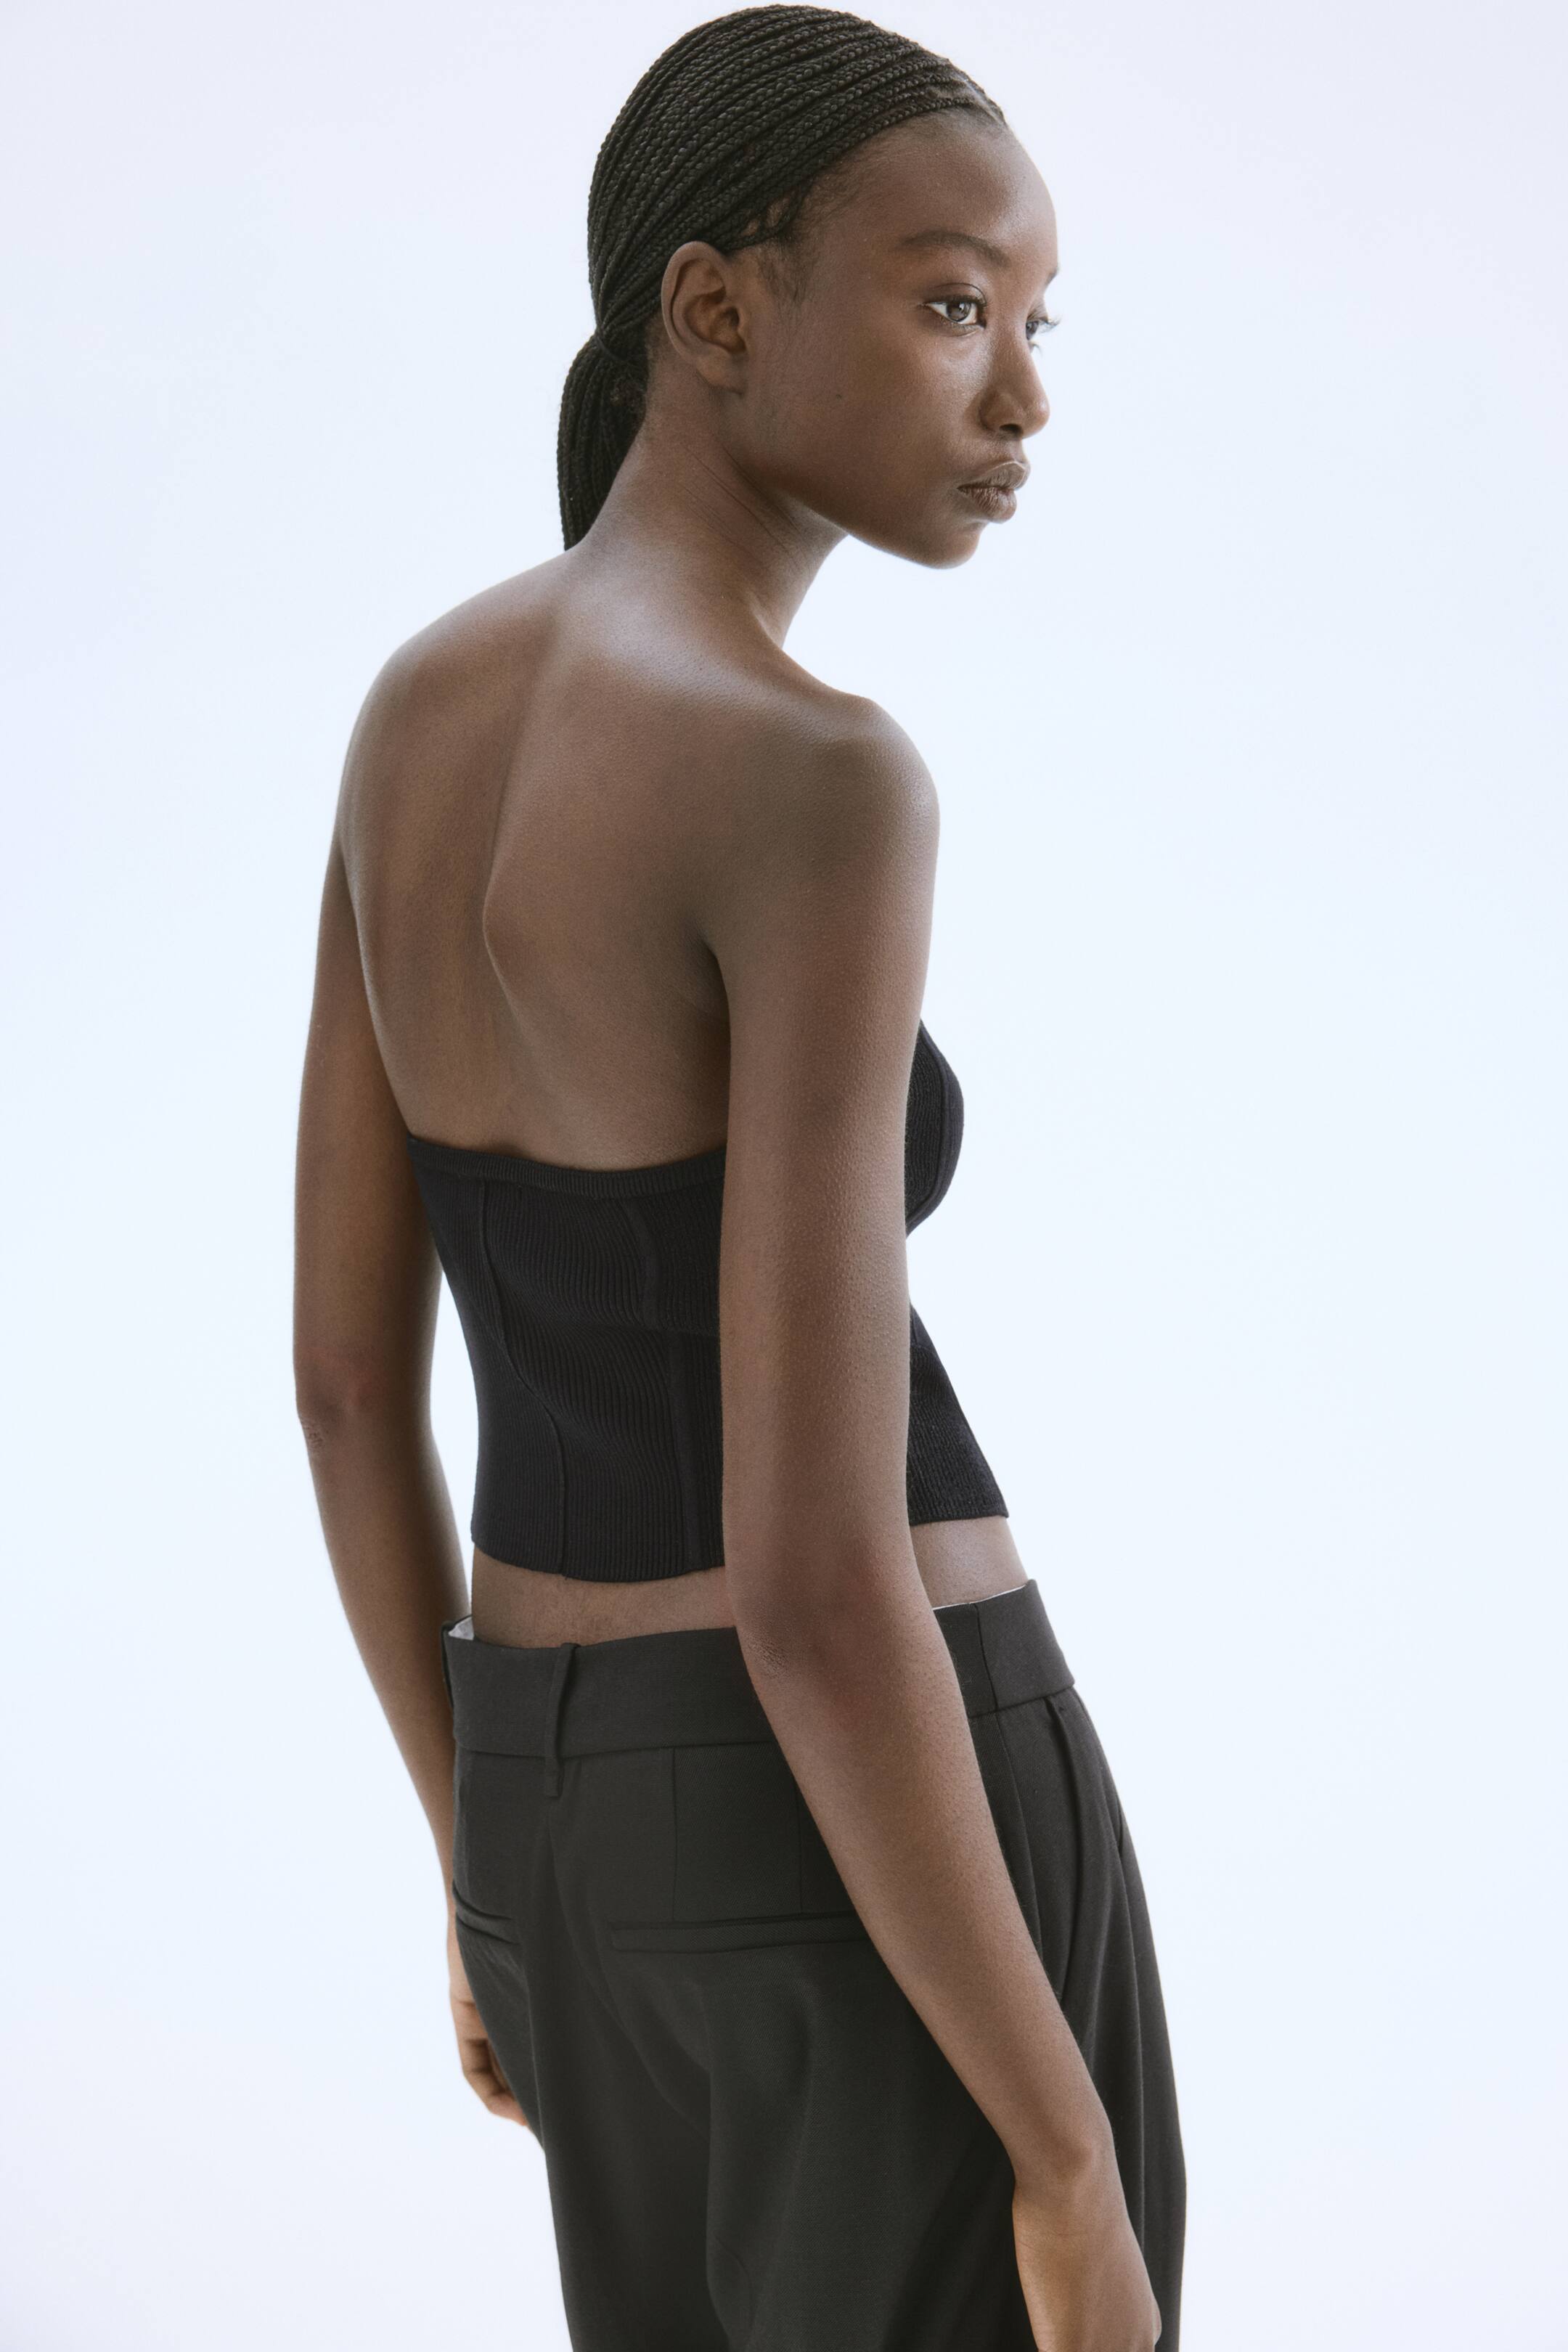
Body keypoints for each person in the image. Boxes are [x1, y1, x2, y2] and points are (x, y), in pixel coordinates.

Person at [293, 7, 1185, 2346]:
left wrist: (489, 1861)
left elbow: (345, 1390)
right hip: (877, 1823)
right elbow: (808, 1578)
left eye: (1038, 322)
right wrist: (1064, 2162)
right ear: (712, 309)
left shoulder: (413, 714)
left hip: (564, 1825)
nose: (1022, 396)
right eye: (953, 303)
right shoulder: (817, 776)